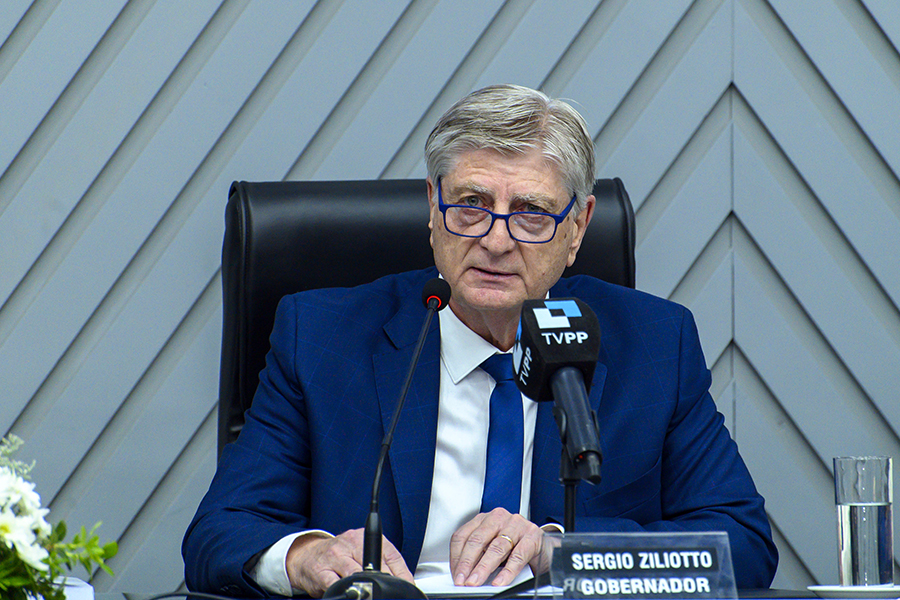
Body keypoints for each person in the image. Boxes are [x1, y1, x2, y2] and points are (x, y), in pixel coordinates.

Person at [183, 84, 778, 598]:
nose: (495, 240)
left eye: (531, 212)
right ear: (432, 207)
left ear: (577, 228)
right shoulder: (321, 337)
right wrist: (306, 555)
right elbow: (220, 532)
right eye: (471, 205)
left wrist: (560, 552)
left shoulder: (654, 344)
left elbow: (742, 543)